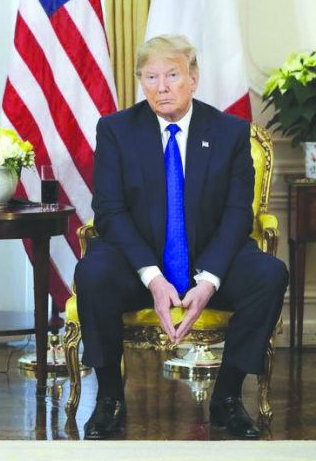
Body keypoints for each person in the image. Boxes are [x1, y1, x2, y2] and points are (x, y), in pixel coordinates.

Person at [74, 35, 288, 440]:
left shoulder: (229, 131)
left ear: (194, 79)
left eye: (172, 75)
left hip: (209, 257)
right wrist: (153, 278)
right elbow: (110, 211)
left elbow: (238, 214)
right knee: (92, 272)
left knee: (269, 274)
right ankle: (109, 398)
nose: (161, 87)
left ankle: (226, 397)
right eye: (150, 77)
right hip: (139, 262)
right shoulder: (116, 130)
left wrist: (208, 281)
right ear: (140, 81)